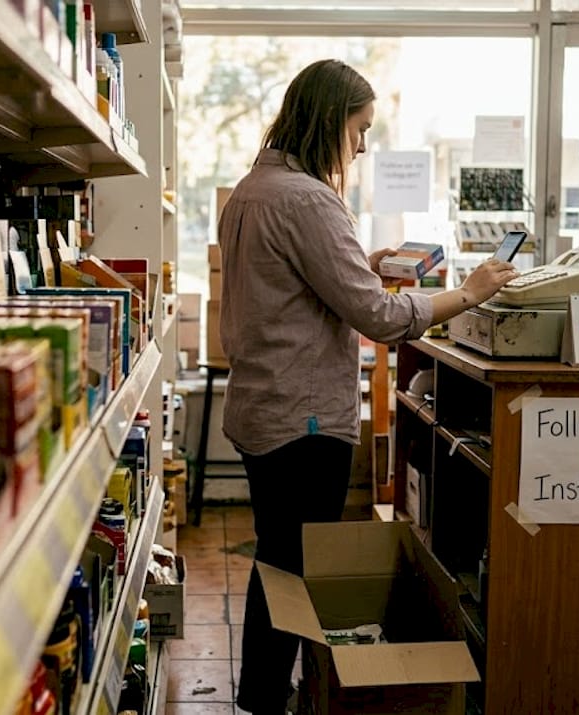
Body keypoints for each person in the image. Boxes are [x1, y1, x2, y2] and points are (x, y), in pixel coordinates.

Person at [217, 59, 519, 715]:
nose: (360, 145)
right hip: (303, 420)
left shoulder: (252, 189)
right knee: (294, 564)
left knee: (277, 556)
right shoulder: (308, 199)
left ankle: (263, 691)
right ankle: (274, 696)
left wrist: (367, 263)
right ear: (330, 119)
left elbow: (290, 284)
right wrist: (466, 294)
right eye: (359, 129)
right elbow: (379, 319)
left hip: (259, 409)